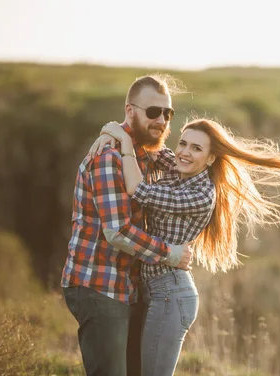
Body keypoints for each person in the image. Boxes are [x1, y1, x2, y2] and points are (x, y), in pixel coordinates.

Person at [88, 115, 280, 375]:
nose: (185, 152)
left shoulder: (201, 194)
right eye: (183, 143)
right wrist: (111, 133)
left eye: (196, 148)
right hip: (152, 290)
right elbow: (150, 148)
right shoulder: (179, 168)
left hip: (170, 294)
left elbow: (136, 188)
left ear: (211, 158)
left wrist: (121, 139)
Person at [60, 74, 195, 376]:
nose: (161, 119)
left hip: (128, 287)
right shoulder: (107, 157)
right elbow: (117, 231)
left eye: (167, 113)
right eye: (152, 112)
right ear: (130, 110)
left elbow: (189, 167)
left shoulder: (146, 152)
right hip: (98, 284)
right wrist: (171, 253)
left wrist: (116, 132)